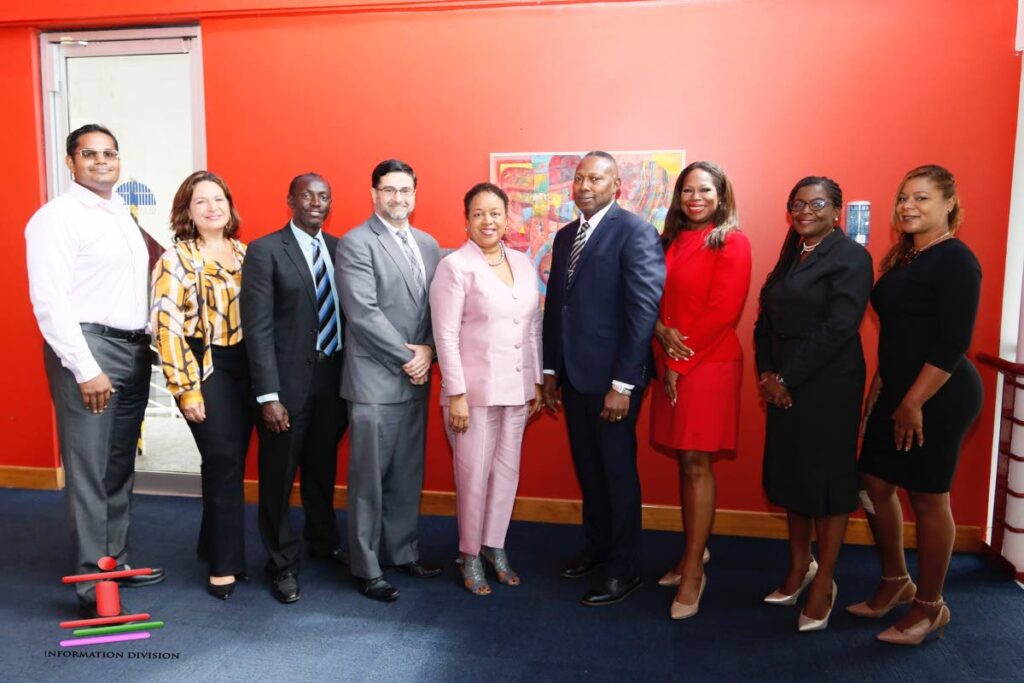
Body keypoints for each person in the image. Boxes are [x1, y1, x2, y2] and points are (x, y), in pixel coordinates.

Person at [26, 123, 165, 618]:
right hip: (90, 352)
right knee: (89, 470)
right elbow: (49, 300)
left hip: (132, 350)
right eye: (90, 154)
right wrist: (85, 367)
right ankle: (94, 585)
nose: (102, 161)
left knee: (119, 466)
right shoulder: (56, 217)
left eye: (110, 153)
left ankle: (115, 565)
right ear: (71, 161)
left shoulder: (120, 214)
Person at [850, 165, 982, 645]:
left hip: (940, 396)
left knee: (928, 497)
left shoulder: (956, 261)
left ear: (949, 203)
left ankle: (931, 607)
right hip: (901, 391)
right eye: (904, 197)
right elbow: (900, 334)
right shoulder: (906, 258)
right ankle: (895, 582)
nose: (908, 206)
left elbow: (951, 344)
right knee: (873, 482)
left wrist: (911, 403)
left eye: (922, 198)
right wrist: (882, 385)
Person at [542, 151, 665, 607]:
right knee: (589, 472)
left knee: (616, 476)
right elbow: (558, 306)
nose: (585, 185)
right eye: (579, 178)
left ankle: (624, 569)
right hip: (573, 376)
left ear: (617, 186)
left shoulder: (635, 232)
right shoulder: (565, 236)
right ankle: (596, 549)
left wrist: (624, 384)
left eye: (596, 178)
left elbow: (642, 312)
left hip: (614, 382)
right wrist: (550, 369)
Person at [753, 176, 873, 632]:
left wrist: (786, 376)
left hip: (828, 385)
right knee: (792, 475)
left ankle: (824, 580)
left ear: (837, 209)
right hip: (782, 381)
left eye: (817, 203)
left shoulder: (850, 257)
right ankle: (798, 568)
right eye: (797, 203)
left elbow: (839, 327)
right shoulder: (792, 253)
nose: (805, 210)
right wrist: (767, 374)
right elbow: (766, 318)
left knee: (827, 482)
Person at [335, 159, 442, 602]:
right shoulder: (357, 243)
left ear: (415, 194)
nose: (398, 198)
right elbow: (362, 313)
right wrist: (408, 358)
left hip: (415, 379)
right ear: (373, 193)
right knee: (368, 481)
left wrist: (430, 350)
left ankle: (401, 551)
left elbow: (442, 305)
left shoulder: (430, 244)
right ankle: (367, 565)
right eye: (389, 190)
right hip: (375, 382)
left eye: (405, 190)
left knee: (406, 473)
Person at [429, 183, 543, 596]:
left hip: (516, 389)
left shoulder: (524, 262)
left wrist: (536, 381)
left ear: (506, 216)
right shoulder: (455, 267)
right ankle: (469, 553)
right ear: (466, 220)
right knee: (473, 475)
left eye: (495, 212)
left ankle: (495, 545)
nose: (487, 221)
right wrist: (456, 392)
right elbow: (445, 334)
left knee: (506, 473)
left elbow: (533, 326)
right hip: (471, 394)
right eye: (478, 213)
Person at [240, 173, 349, 604]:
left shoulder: (341, 249)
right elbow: (258, 329)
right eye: (307, 195)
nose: (316, 203)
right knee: (278, 478)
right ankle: (281, 562)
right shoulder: (266, 251)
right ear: (290, 200)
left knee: (322, 470)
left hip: (334, 381)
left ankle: (322, 541)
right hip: (285, 389)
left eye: (324, 196)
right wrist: (268, 395)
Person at [649, 162, 751, 619]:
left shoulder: (732, 241)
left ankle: (693, 570)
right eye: (688, 190)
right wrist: (657, 330)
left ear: (721, 195)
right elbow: (649, 294)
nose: (696, 197)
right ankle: (695, 551)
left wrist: (679, 362)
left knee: (696, 461)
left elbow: (723, 311)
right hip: (668, 357)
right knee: (685, 460)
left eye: (705, 190)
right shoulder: (666, 240)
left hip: (708, 364)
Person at [152, 170, 251, 600]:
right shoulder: (176, 258)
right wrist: (185, 387)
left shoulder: (248, 254)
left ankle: (213, 543)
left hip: (248, 367)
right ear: (187, 213)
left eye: (219, 199)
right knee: (223, 456)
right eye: (201, 202)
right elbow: (166, 327)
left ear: (229, 206)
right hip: (204, 365)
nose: (212, 208)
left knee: (228, 462)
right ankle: (224, 564)